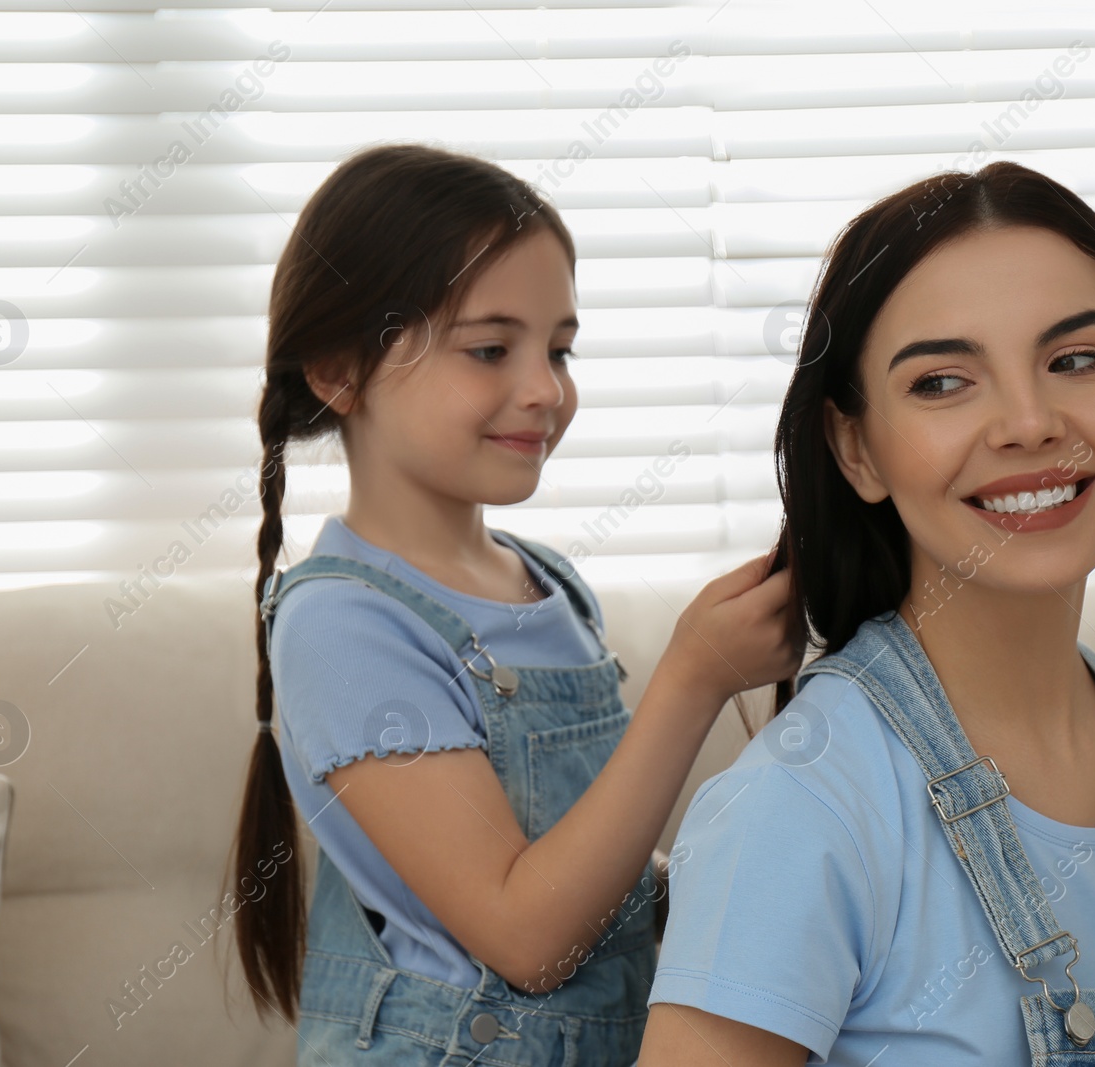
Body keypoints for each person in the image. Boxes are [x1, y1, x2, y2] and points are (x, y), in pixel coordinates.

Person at [638, 161, 1095, 1066]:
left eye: (1076, 361)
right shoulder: (802, 803)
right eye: (942, 381)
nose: (1030, 421)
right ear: (854, 446)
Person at [225, 141, 804, 1066]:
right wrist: (696, 677)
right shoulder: (342, 624)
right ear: (338, 369)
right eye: (491, 348)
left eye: (560, 349)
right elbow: (529, 938)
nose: (545, 390)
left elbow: (585, 869)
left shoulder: (547, 582)